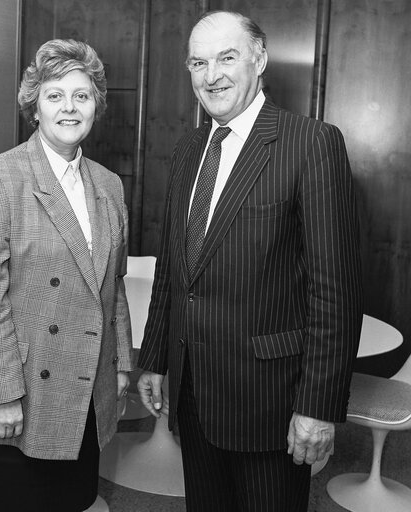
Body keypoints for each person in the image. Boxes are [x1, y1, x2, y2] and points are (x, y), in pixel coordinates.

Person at [137, 10, 363, 512]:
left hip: (270, 403)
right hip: (192, 390)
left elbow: (335, 292)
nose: (211, 74)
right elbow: (174, 268)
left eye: (227, 57)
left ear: (259, 60)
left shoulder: (311, 143)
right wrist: (153, 357)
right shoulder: (187, 149)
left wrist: (317, 408)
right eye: (198, 62)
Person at [0, 39, 133, 512]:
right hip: (21, 391)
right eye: (55, 95)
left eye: (82, 95)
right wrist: (2, 393)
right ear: (34, 106)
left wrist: (121, 367)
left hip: (84, 388)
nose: (69, 107)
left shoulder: (109, 185)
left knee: (69, 502)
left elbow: (113, 288)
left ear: (96, 106)